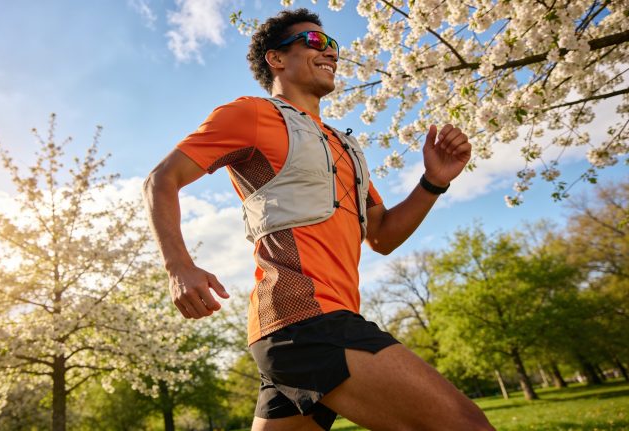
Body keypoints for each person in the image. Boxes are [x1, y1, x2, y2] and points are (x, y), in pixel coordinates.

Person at [143, 7, 495, 431]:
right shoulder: (251, 114)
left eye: (334, 45)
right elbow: (161, 179)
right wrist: (179, 266)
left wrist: (433, 183)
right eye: (314, 42)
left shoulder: (347, 148)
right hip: (306, 319)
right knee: (465, 425)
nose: (329, 52)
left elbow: (381, 236)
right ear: (276, 58)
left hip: (304, 331)